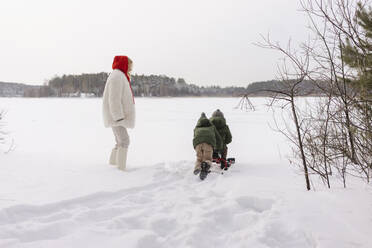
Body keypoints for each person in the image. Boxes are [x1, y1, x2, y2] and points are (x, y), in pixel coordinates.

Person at [102, 55, 136, 171]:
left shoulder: (119, 75)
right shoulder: (117, 76)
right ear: (124, 64)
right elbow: (114, 99)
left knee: (119, 141)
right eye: (130, 65)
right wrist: (118, 117)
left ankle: (113, 166)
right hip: (116, 117)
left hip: (116, 116)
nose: (131, 68)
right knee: (124, 140)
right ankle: (120, 169)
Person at [193, 112, 222, 178]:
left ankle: (197, 168)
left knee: (199, 159)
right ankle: (205, 167)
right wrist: (218, 148)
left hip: (197, 144)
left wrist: (195, 147)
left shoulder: (196, 128)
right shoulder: (212, 127)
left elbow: (195, 137)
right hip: (208, 143)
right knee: (208, 159)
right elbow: (218, 138)